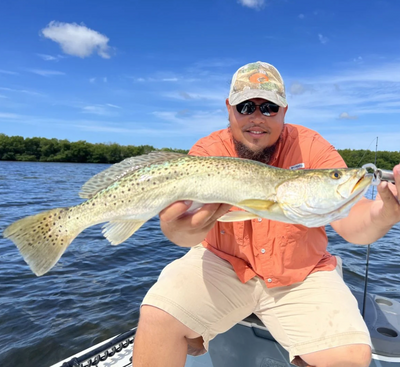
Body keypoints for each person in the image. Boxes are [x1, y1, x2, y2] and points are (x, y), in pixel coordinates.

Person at [132, 61, 400, 367]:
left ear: (284, 111)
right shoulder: (207, 151)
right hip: (222, 263)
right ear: (228, 109)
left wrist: (383, 213)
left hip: (301, 272)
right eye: (245, 106)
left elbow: (353, 223)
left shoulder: (311, 146)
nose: (256, 117)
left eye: (269, 107)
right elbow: (182, 234)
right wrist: (178, 228)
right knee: (156, 316)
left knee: (350, 357)